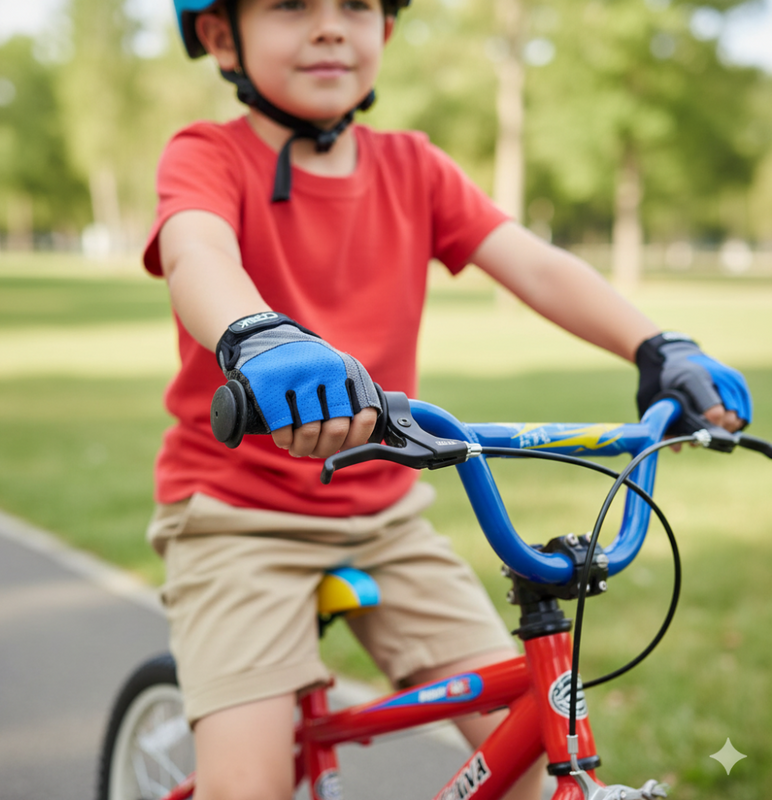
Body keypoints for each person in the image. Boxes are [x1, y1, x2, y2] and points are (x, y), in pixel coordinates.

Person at [144, 0, 753, 798]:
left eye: (356, 6)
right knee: (247, 786)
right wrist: (255, 336)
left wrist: (657, 345)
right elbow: (197, 252)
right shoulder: (208, 155)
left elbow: (534, 264)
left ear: (386, 31)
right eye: (292, 5)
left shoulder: (413, 166)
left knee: (530, 751)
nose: (330, 27)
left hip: (385, 516)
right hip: (240, 520)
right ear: (222, 36)